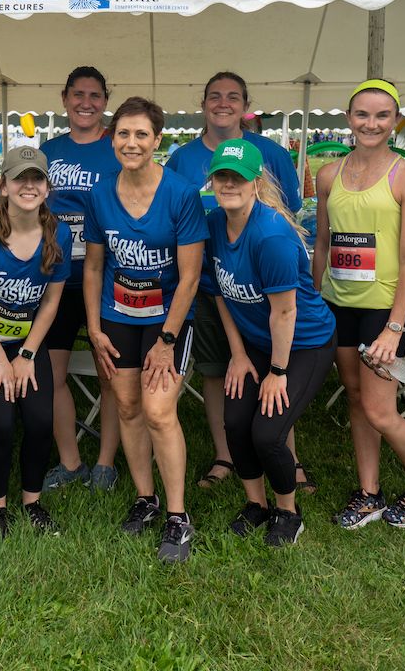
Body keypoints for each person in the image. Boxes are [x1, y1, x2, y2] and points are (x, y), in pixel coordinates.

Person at [165, 71, 308, 492]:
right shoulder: (181, 158)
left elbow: (289, 213)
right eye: (214, 96)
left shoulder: (270, 154)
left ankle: (290, 459)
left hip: (261, 287)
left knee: (271, 369)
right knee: (216, 370)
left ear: (246, 103)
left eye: (232, 96)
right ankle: (225, 455)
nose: (222, 103)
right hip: (207, 282)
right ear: (203, 103)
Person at [313, 80, 405, 531]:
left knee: (381, 410)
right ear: (349, 118)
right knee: (355, 398)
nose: (371, 123)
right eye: (362, 115)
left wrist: (394, 325)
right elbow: (324, 244)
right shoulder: (328, 174)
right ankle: (369, 492)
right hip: (336, 303)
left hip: (382, 310)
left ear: (395, 121)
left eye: (382, 115)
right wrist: (314, 298)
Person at [84, 96, 207, 563]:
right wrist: (95, 329)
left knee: (158, 411)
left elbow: (190, 277)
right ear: (111, 138)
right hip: (117, 318)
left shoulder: (180, 194)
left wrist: (167, 341)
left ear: (157, 140)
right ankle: (145, 498)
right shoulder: (100, 194)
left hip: (166, 321)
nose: (131, 142)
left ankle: (178, 516)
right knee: (128, 407)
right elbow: (95, 267)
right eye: (123, 133)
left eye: (141, 134)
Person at [204, 139, 336, 546]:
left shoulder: (271, 235)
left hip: (304, 344)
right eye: (222, 176)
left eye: (238, 177)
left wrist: (277, 373)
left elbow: (285, 313)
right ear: (212, 180)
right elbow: (219, 294)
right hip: (258, 344)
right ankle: (256, 504)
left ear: (256, 182)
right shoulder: (214, 224)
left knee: (268, 433)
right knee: (235, 422)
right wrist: (239, 355)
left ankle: (287, 511)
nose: (229, 184)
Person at [0, 146, 72, 537]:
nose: (28, 185)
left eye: (36, 178)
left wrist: (25, 355)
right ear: (2, 185)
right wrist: (1, 363)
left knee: (40, 420)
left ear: (46, 186)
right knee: (1, 422)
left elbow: (52, 301)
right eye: (19, 178)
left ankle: (32, 501)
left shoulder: (60, 234)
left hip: (26, 343)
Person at [40, 66, 123, 491]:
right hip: (55, 279)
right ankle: (71, 463)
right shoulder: (48, 150)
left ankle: (106, 463)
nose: (86, 102)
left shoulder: (117, 149)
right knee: (51, 375)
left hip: (104, 278)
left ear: (105, 100)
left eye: (94, 95)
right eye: (78, 94)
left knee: (109, 374)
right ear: (65, 98)